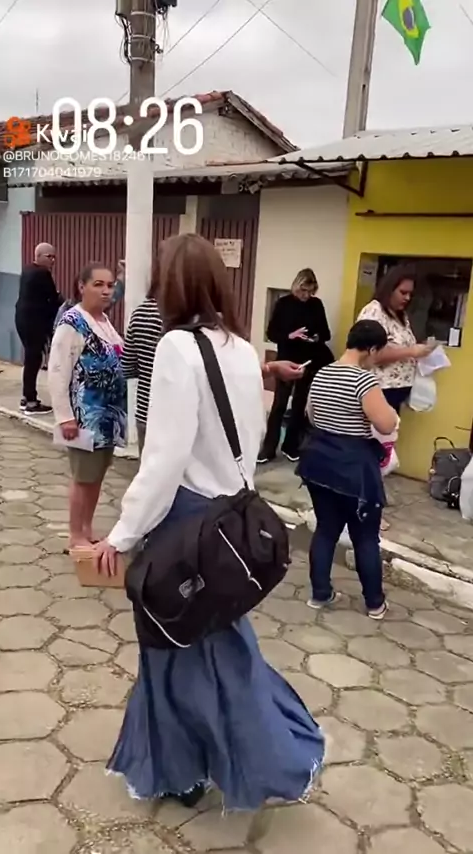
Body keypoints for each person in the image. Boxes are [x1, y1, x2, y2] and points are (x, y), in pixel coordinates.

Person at [94, 234, 324, 810]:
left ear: (170, 285)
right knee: (220, 645)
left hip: (187, 520)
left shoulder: (177, 346)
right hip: (231, 519)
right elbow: (251, 436)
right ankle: (232, 757)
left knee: (171, 648)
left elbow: (164, 459)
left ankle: (185, 769)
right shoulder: (241, 348)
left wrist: (121, 535)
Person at [297, 320, 398, 621]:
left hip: (318, 462)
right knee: (365, 537)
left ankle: (320, 594)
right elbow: (386, 424)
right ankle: (374, 603)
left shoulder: (322, 372)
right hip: (353, 468)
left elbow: (310, 414)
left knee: (326, 529)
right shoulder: (364, 381)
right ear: (372, 349)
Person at [48, 263, 126, 549]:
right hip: (84, 418)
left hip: (108, 419)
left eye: (110, 285)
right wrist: (65, 417)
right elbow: (58, 371)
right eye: (98, 284)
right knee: (83, 477)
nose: (106, 291)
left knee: (96, 476)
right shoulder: (72, 322)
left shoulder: (104, 320)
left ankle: (87, 528)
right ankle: (75, 534)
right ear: (81, 286)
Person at [258, 268, 332, 464]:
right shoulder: (283, 304)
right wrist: (291, 335)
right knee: (279, 405)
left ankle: (291, 446)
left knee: (299, 405)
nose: (306, 295)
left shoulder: (316, 305)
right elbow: (272, 333)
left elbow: (326, 333)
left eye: (310, 291)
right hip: (286, 358)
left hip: (308, 360)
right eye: (303, 291)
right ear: (296, 287)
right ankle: (268, 449)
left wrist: (315, 337)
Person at [357, 265, 437, 413]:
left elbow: (401, 345)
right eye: (403, 292)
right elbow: (369, 354)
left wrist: (422, 349)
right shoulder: (374, 311)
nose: (407, 298)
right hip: (379, 391)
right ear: (389, 289)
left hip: (397, 392)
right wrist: (411, 351)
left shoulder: (401, 315)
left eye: (410, 294)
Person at [15, 242, 62, 414]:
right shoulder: (42, 273)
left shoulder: (27, 270)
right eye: (49, 257)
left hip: (22, 319)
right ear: (39, 256)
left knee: (31, 359)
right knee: (33, 359)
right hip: (33, 321)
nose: (53, 260)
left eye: (54, 257)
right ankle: (31, 402)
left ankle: (27, 397)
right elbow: (53, 299)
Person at [121, 275, 163, 456]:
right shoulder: (177, 318)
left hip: (144, 409)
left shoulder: (139, 314)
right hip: (172, 416)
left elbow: (128, 366)